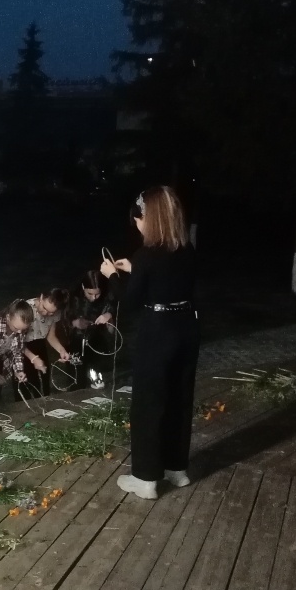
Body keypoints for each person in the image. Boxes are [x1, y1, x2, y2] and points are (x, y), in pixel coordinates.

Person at [101, 185, 198, 499]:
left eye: (139, 218)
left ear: (151, 218)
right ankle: (176, 468)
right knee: (179, 398)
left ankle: (145, 478)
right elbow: (165, 281)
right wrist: (135, 269)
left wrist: (112, 276)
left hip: (158, 332)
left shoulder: (146, 255)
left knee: (149, 402)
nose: (137, 223)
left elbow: (131, 301)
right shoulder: (186, 250)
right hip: (186, 327)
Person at [69, 270, 117, 389]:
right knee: (77, 377)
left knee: (98, 375)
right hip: (76, 340)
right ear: (83, 287)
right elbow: (63, 320)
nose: (94, 298)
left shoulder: (107, 296)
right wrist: (74, 323)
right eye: (90, 294)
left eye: (97, 294)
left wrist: (109, 315)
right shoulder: (73, 296)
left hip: (97, 339)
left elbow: (112, 330)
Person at [20, 289, 72, 398]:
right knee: (26, 386)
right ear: (41, 297)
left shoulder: (55, 313)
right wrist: (33, 358)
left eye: (51, 312)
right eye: (44, 308)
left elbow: (51, 336)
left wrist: (61, 350)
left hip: (40, 345)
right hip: (22, 349)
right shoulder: (25, 310)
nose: (46, 313)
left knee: (43, 385)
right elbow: (16, 342)